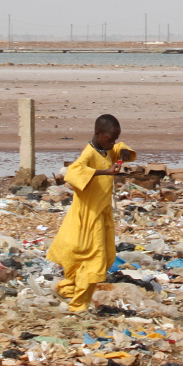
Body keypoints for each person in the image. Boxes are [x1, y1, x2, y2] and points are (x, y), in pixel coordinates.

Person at [46, 114, 136, 312]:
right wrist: (105, 173)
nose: (112, 144)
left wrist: (123, 154)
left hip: (102, 213)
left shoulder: (106, 150)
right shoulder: (89, 153)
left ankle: (66, 288)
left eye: (114, 140)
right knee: (94, 262)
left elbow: (120, 148)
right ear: (97, 134)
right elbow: (73, 172)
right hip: (87, 216)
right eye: (109, 139)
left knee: (102, 258)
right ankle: (78, 306)